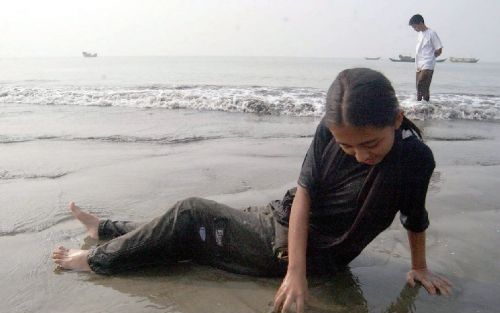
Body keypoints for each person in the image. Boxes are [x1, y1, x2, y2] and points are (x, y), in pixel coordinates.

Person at [52, 68, 452, 313]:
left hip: (295, 249)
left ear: (397, 119)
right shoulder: (329, 131)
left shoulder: (416, 161)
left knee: (191, 215)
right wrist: (296, 270)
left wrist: (417, 266)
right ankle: (106, 229)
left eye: (370, 145)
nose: (359, 155)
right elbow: (305, 193)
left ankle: (96, 259)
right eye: (347, 147)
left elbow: (414, 217)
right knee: (193, 230)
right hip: (283, 221)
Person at [409, 14, 443, 102]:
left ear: (420, 23)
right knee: (420, 87)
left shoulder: (432, 33)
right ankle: (422, 106)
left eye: (414, 27)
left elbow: (439, 48)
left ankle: (423, 105)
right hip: (418, 64)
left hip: (428, 63)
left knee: (421, 83)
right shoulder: (420, 34)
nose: (414, 29)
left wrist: (433, 56)